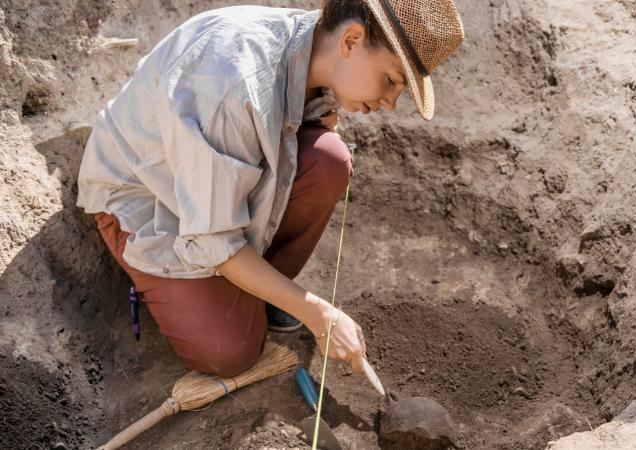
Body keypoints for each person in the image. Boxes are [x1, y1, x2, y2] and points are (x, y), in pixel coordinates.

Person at [76, 0, 464, 378]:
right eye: (393, 80)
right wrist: (319, 314)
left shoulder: (314, 53)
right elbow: (214, 240)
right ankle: (239, 297)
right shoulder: (234, 82)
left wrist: (312, 116)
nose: (392, 102)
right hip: (148, 197)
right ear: (351, 41)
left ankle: (254, 292)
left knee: (329, 160)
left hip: (209, 188)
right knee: (229, 353)